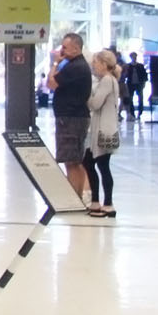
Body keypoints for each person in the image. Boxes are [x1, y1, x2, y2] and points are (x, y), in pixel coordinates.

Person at [47, 32, 93, 203]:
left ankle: (73, 197)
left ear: (76, 48)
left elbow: (51, 83)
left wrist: (56, 63)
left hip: (71, 119)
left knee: (71, 160)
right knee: (74, 159)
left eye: (65, 47)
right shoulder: (76, 65)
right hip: (74, 117)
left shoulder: (75, 67)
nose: (62, 50)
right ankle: (78, 195)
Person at [83, 49, 122, 217]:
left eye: (96, 63)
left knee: (102, 166)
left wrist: (85, 95)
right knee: (92, 164)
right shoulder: (109, 80)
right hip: (105, 128)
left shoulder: (107, 80)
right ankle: (97, 201)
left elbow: (95, 104)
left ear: (104, 64)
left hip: (103, 131)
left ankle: (107, 203)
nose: (94, 66)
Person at [124, 51, 149, 121]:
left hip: (139, 84)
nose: (134, 58)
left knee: (140, 99)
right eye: (132, 57)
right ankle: (132, 113)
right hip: (131, 84)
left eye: (135, 57)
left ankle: (140, 113)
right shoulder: (128, 66)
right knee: (130, 99)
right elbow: (126, 75)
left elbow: (144, 75)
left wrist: (143, 83)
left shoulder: (140, 66)